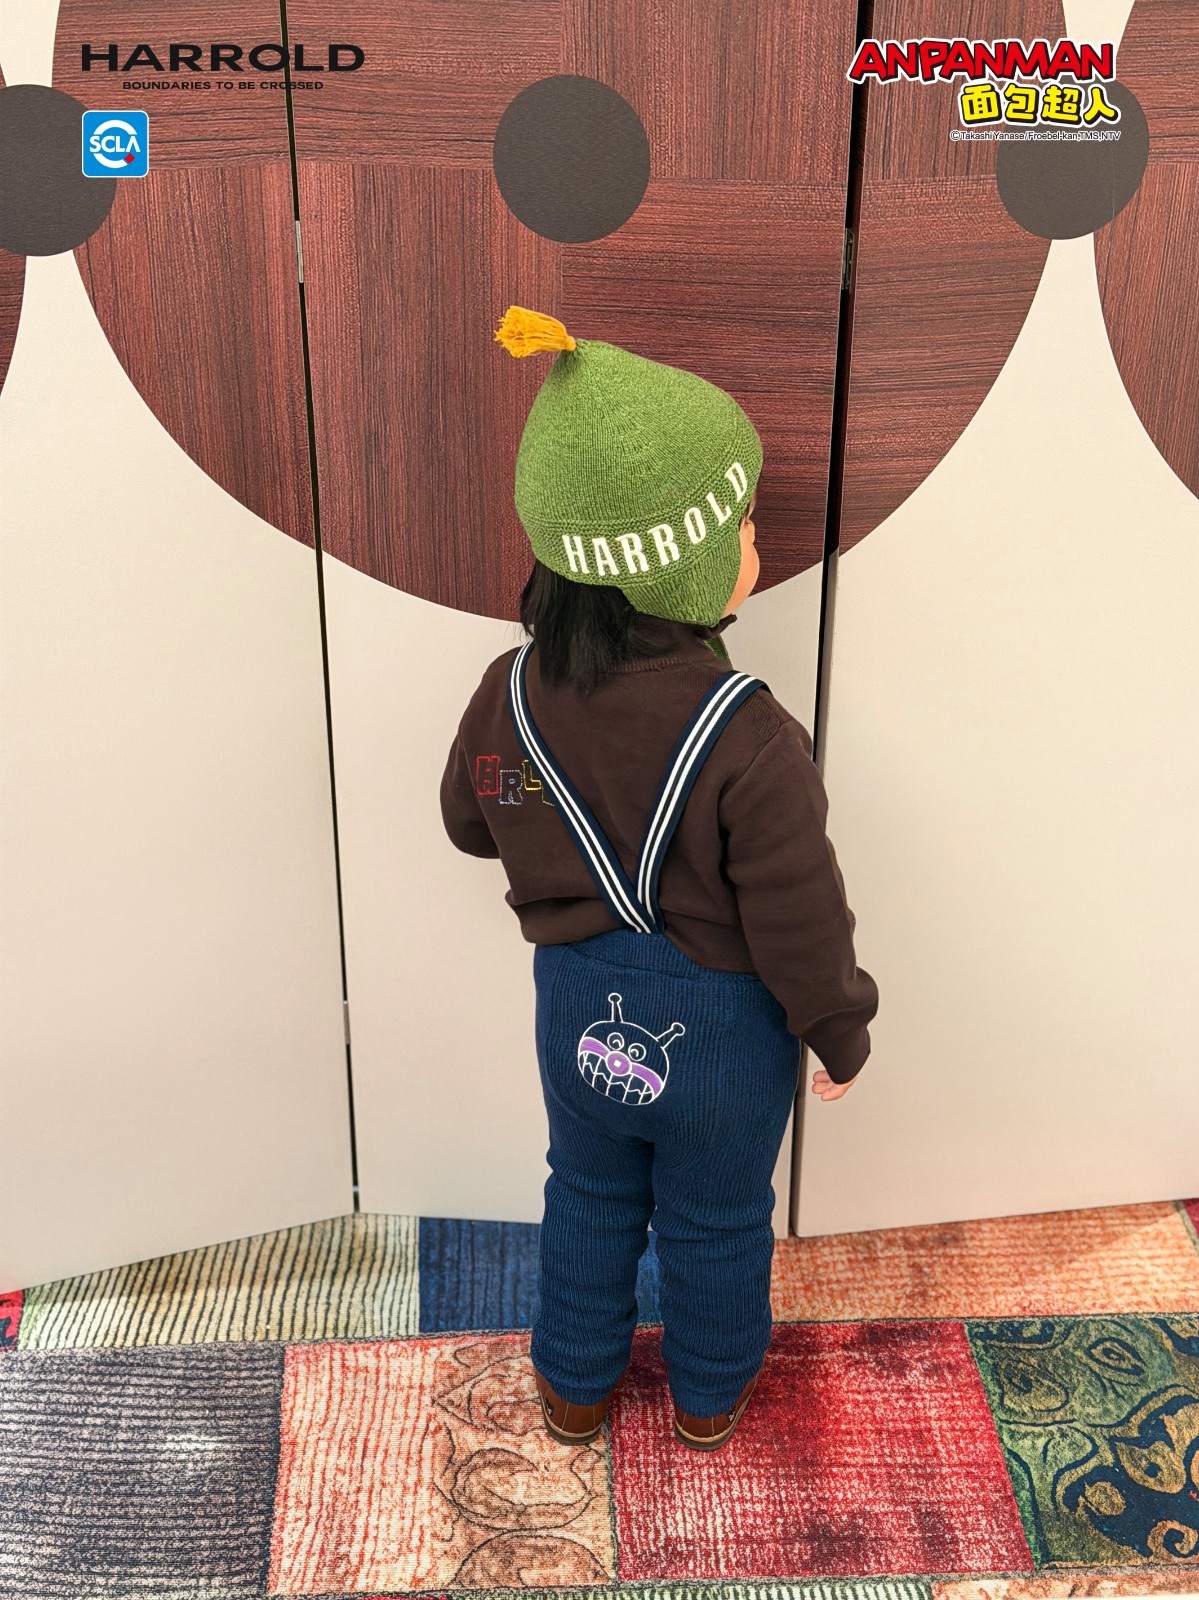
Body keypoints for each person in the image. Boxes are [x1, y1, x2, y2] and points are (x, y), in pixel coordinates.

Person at [440, 306, 879, 1452]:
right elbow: (798, 910)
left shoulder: (506, 695)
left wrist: (546, 827)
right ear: (674, 559)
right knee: (717, 1219)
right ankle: (705, 1397)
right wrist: (837, 1025)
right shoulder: (749, 734)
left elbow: (473, 815)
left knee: (585, 1195)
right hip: (724, 1042)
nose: (754, 541)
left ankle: (573, 1389)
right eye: (741, 524)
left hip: (576, 1015)